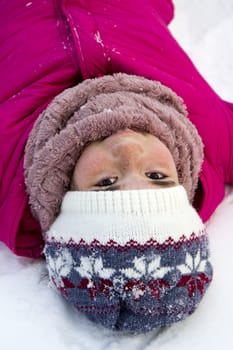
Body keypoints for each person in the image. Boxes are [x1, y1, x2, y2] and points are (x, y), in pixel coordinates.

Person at [0, 0, 232, 332]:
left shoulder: (6, 171)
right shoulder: (208, 136)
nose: (129, 148)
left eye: (107, 182)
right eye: (157, 176)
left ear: (64, 196)